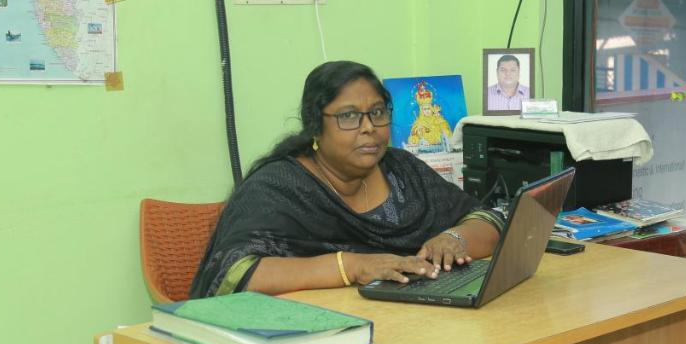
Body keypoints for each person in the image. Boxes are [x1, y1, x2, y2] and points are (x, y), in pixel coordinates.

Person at [190, 61, 504, 298]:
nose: (368, 127)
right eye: (349, 116)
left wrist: (455, 238)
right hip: (306, 340)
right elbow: (233, 274)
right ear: (315, 126)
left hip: (403, 326)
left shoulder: (402, 170)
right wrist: (352, 266)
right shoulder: (279, 187)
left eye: (378, 113)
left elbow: (487, 220)